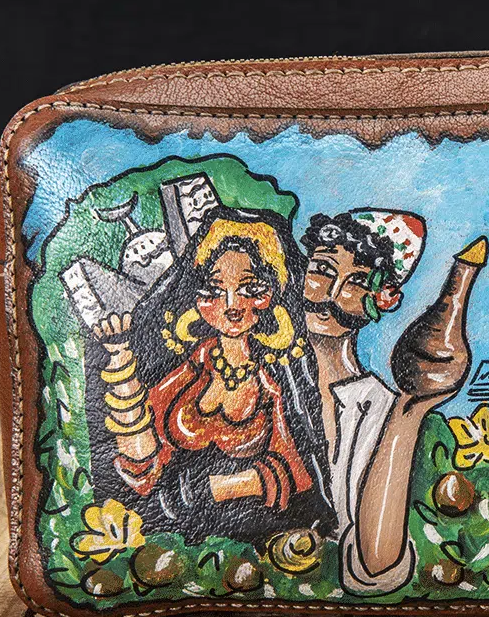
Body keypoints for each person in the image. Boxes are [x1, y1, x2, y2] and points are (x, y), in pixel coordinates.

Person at [91, 206, 335, 544]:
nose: (231, 304)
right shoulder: (193, 368)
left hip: (255, 539)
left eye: (250, 288)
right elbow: (141, 464)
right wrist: (120, 362)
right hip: (173, 536)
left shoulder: (275, 384)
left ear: (273, 295)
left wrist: (216, 487)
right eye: (214, 289)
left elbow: (295, 473)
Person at [299, 209, 436, 595]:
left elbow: (375, 569)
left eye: (357, 282)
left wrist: (410, 413)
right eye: (322, 270)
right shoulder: (249, 377)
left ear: (386, 299)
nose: (330, 294)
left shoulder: (380, 409)